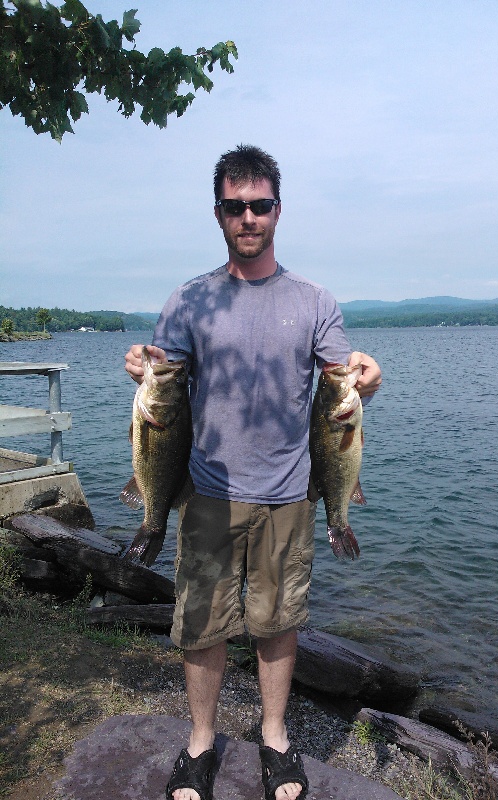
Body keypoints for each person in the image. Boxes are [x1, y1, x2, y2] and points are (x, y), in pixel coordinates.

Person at [125, 145, 382, 800]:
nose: (249, 217)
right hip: (208, 490)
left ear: (277, 210)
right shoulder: (189, 301)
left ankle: (273, 737)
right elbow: (166, 380)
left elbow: (338, 391)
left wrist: (366, 381)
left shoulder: (314, 300)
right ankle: (202, 741)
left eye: (260, 205)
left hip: (291, 494)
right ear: (219, 214)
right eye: (236, 206)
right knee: (203, 624)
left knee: (278, 620)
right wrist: (143, 366)